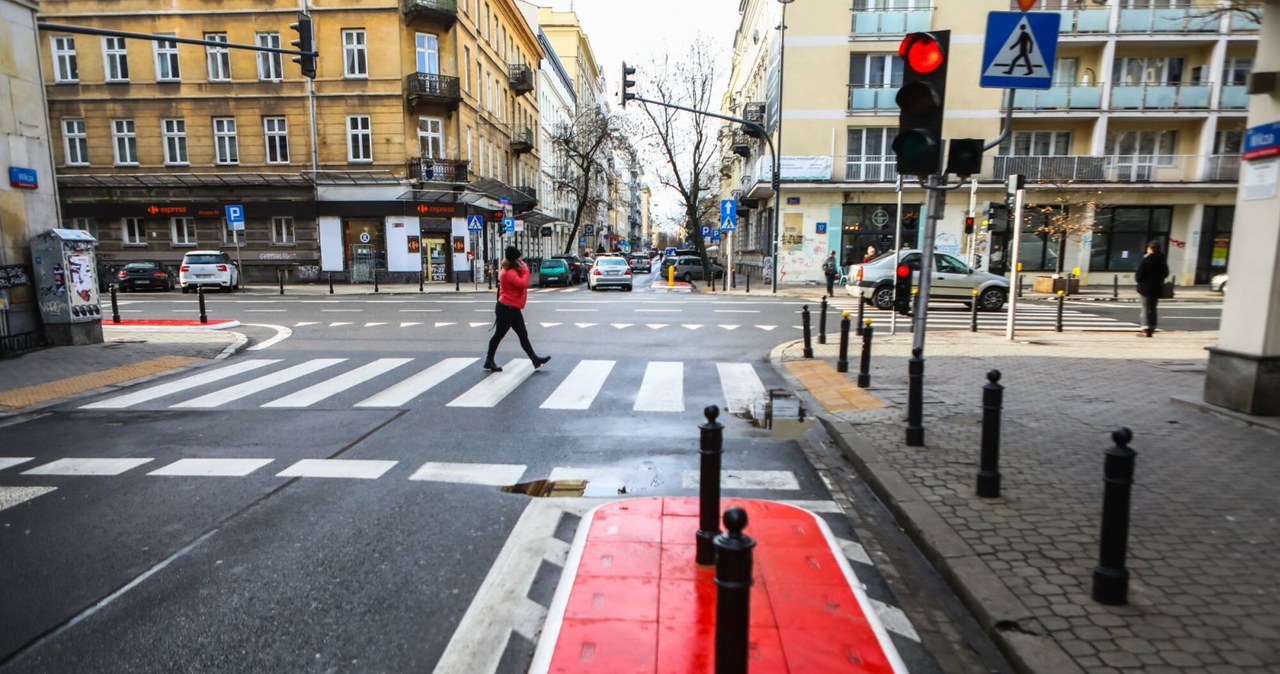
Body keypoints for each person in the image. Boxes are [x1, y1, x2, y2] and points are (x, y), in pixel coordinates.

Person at [484, 246, 551, 372]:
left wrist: (522, 269)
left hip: (512, 308)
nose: (522, 260)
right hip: (506, 309)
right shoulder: (508, 273)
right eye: (519, 258)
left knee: (523, 335)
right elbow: (523, 284)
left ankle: (535, 360)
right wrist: (525, 270)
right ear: (514, 260)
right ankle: (489, 360)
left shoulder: (512, 270)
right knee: (499, 335)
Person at [1134, 240, 1169, 338]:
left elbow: (1139, 275)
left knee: (1145, 308)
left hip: (1145, 287)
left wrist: (1139, 279)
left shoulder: (1147, 259)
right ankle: (1152, 327)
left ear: (1150, 248)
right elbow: (1166, 273)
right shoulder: (1162, 259)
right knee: (1153, 308)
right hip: (1157, 287)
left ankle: (1145, 329)